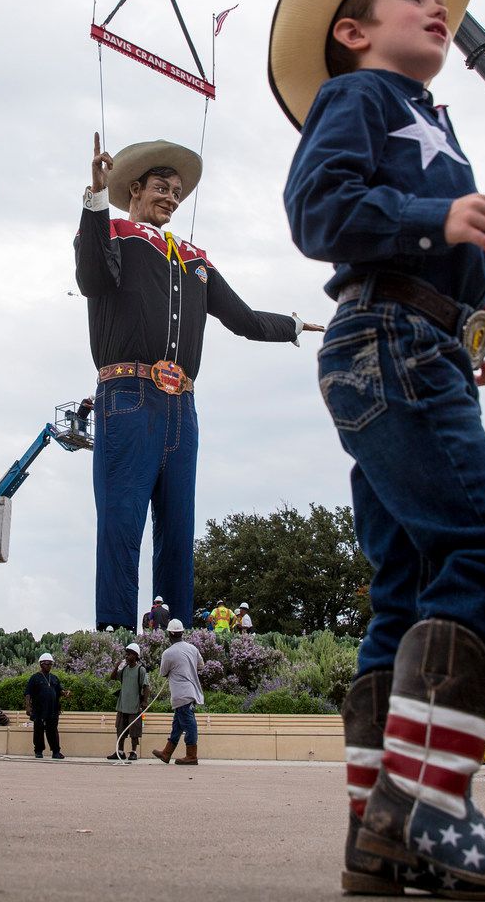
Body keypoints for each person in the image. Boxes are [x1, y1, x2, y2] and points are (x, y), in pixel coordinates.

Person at [269, 0, 485, 897]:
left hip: (407, 345)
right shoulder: (358, 100)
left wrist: (466, 309)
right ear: (353, 33)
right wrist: (435, 213)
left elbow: (437, 251)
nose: (436, 6)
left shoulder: (424, 119)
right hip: (389, 343)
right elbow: (319, 211)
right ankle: (433, 815)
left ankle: (376, 836)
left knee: (405, 587)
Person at [75, 137, 323, 633]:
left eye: (178, 192)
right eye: (162, 188)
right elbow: (92, 275)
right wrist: (96, 200)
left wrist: (292, 326)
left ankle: (177, 637)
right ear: (135, 189)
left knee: (178, 530)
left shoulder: (195, 260)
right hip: (127, 396)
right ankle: (115, 640)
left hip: (181, 404)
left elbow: (244, 319)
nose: (171, 197)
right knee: (122, 525)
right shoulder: (114, 233)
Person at [152, 618, 204, 765]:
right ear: (182, 633)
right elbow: (201, 665)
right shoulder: (193, 649)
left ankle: (191, 756)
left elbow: (163, 672)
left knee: (189, 724)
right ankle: (166, 753)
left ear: (169, 634)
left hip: (180, 694)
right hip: (191, 692)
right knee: (177, 725)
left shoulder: (168, 653)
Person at [107, 642, 150, 760]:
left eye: (129, 654)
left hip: (134, 705)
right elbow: (112, 677)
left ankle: (133, 752)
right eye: (126, 654)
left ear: (136, 655)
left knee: (134, 730)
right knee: (120, 728)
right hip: (122, 705)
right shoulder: (124, 669)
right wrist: (116, 667)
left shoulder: (140, 670)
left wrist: (144, 702)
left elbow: (146, 686)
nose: (126, 656)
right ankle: (120, 751)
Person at [24, 653, 67, 760]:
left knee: (52, 730)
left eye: (50, 663)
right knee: (38, 730)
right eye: (46, 663)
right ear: (41, 664)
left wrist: (65, 693)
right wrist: (28, 707)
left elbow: (59, 691)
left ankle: (56, 752)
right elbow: (28, 693)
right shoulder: (34, 677)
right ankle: (38, 751)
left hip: (52, 709)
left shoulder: (54, 678)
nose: (49, 665)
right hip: (39, 709)